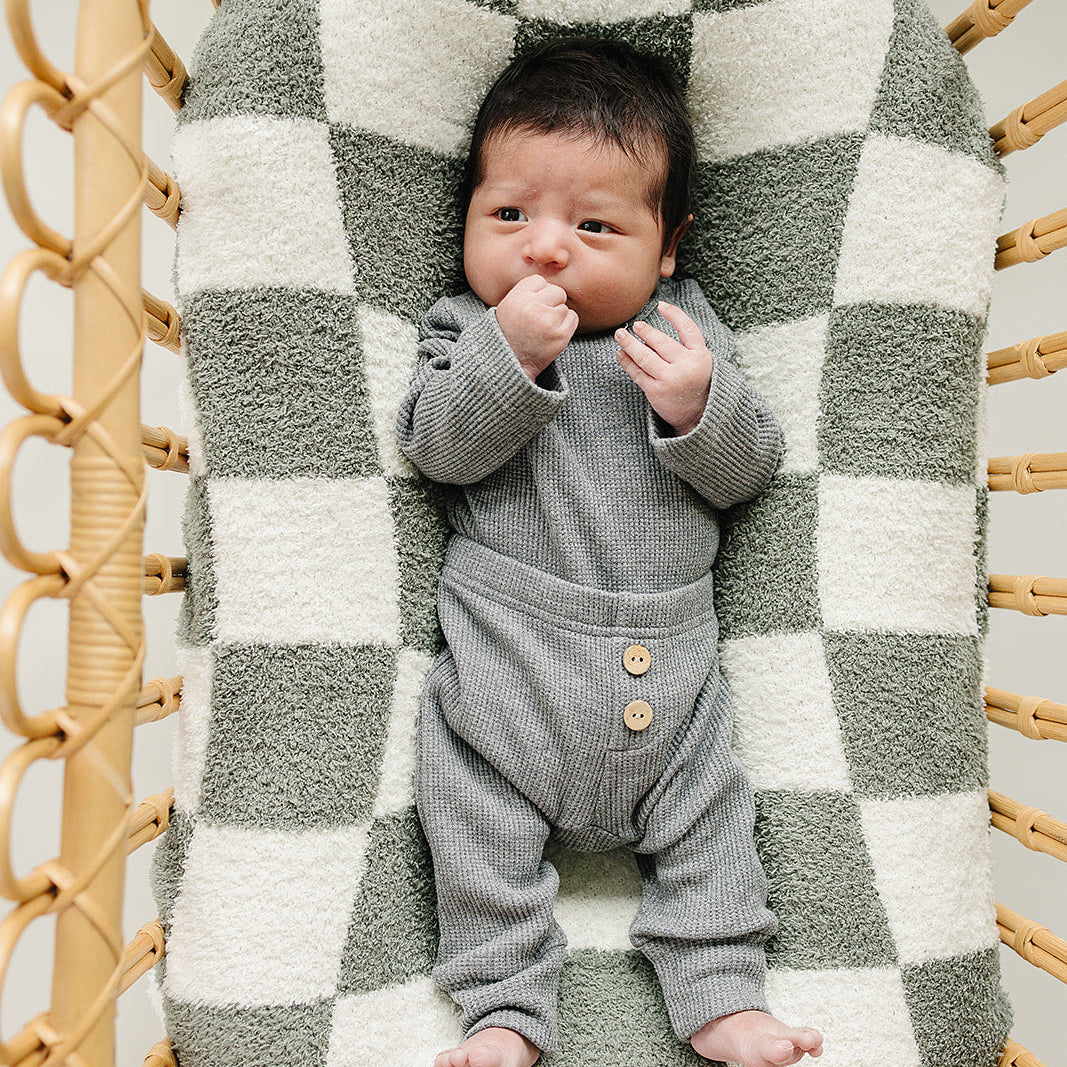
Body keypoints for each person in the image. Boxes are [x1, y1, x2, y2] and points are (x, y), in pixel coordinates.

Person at [396, 37, 823, 1067]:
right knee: (468, 826)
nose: (545, 249)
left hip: (667, 682)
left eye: (592, 225)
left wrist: (698, 405)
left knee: (713, 823)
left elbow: (750, 464)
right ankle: (502, 1006)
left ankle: (720, 990)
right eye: (509, 216)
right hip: (506, 680)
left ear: (664, 248)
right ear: (467, 221)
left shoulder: (684, 329)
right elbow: (434, 446)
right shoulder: (462, 326)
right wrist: (509, 357)